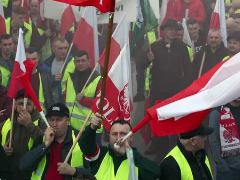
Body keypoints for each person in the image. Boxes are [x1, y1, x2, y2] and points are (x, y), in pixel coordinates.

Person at [140, 19, 194, 161]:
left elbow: (188, 70)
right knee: (158, 119)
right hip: (158, 90)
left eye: (175, 30)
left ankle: (174, 147)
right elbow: (141, 65)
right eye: (170, 29)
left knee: (174, 120)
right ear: (164, 31)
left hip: (175, 91)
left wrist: (182, 87)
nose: (173, 32)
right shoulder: (154, 47)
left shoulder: (182, 48)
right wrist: (147, 59)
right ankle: (158, 145)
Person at [20, 103, 93, 179]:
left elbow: (93, 171)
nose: (54, 124)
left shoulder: (79, 139)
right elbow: (24, 166)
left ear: (68, 121)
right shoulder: (42, 139)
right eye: (51, 120)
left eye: (58, 120)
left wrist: (74, 171)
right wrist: (46, 144)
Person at [79, 112, 161, 179]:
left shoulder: (137, 160)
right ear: (109, 137)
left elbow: (155, 172)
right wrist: (92, 127)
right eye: (114, 134)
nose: (119, 138)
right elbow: (85, 144)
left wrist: (128, 153)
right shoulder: (101, 154)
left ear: (131, 137)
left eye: (123, 134)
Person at [0, 89, 47, 180]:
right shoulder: (5, 124)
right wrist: (1, 151)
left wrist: (29, 124)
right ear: (15, 104)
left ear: (34, 105)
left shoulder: (41, 123)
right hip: (8, 175)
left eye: (28, 104)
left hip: (30, 175)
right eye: (20, 104)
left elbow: (46, 143)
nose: (24, 108)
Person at [61, 50, 102, 132]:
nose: (80, 63)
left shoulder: (98, 79)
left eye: (83, 60)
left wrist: (84, 100)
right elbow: (65, 99)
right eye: (78, 61)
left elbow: (101, 104)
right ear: (74, 63)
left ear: (89, 62)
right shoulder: (70, 78)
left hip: (90, 127)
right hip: (71, 126)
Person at [40, 37, 75, 106]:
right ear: (53, 49)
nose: (63, 51)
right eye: (60, 48)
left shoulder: (74, 62)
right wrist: (53, 79)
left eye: (65, 48)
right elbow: (43, 83)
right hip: (51, 102)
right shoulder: (47, 63)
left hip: (66, 102)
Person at [26, 46, 54, 111]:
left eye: (34, 59)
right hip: (23, 114)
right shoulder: (17, 77)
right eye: (28, 59)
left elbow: (49, 96)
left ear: (38, 59)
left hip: (41, 114)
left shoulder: (44, 75)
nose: (31, 62)